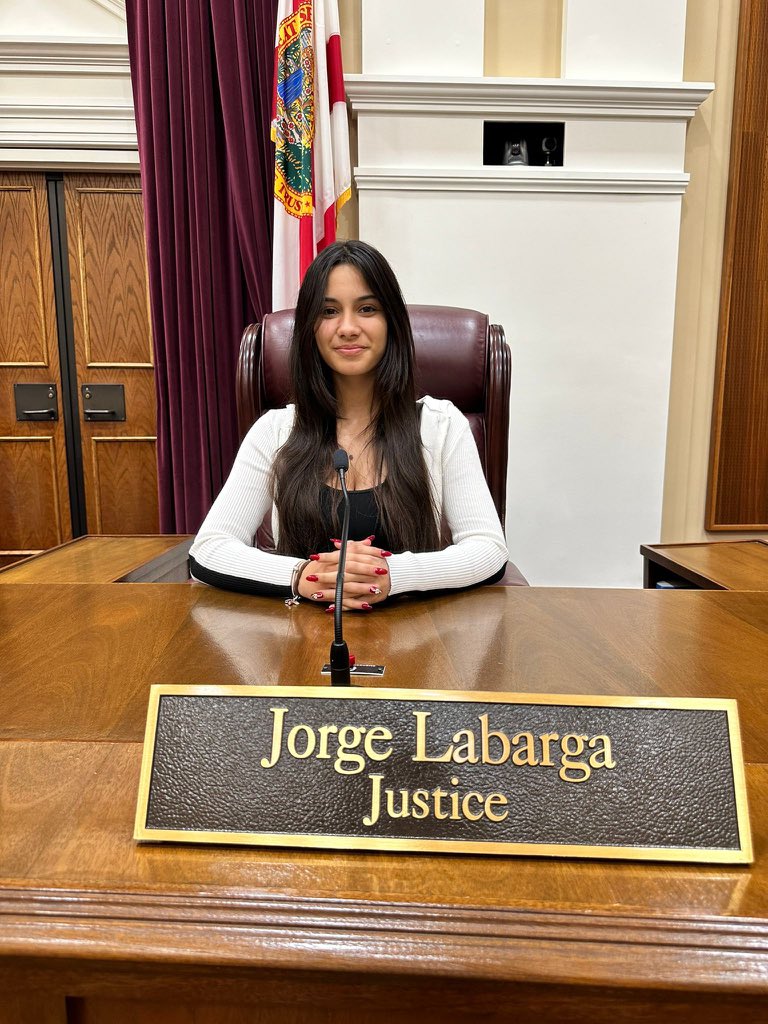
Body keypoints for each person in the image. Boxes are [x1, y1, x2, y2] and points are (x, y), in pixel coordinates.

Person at [189, 240, 509, 610]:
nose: (347, 327)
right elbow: (209, 549)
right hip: (298, 644)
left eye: (367, 309)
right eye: (328, 311)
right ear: (310, 327)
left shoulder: (442, 426)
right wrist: (302, 577)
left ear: (392, 322)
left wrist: (392, 575)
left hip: (418, 638)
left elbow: (488, 549)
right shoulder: (275, 430)